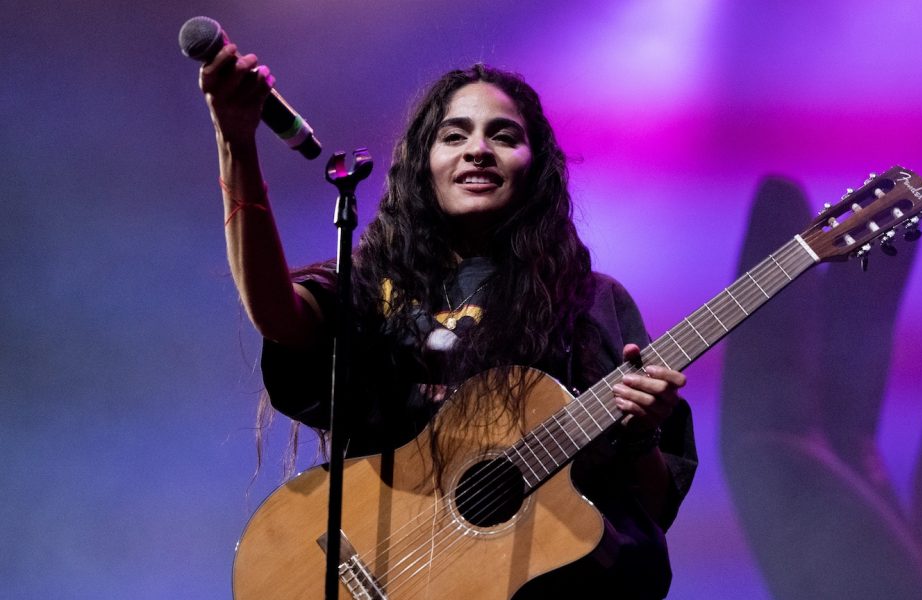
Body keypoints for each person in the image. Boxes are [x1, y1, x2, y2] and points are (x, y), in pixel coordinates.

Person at [200, 43, 698, 599]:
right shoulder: (370, 285)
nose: (478, 151)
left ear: (536, 169)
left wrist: (640, 433)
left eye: (504, 136)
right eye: (454, 136)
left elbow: (651, 513)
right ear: (422, 164)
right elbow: (276, 313)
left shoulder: (590, 303)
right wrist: (238, 147)